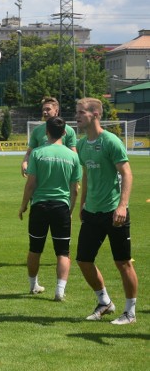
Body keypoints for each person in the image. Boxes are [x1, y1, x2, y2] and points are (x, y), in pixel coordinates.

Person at [74, 97, 137, 325]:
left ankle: (130, 312)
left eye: (82, 112)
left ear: (95, 115)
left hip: (114, 212)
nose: (77, 116)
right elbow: (87, 176)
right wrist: (82, 204)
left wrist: (122, 206)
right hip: (92, 211)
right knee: (83, 260)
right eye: (77, 112)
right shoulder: (82, 145)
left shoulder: (110, 141)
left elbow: (127, 174)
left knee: (123, 263)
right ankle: (105, 302)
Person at [19, 116, 80, 301]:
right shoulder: (73, 156)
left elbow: (30, 184)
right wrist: (69, 210)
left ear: (46, 131)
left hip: (39, 207)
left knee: (35, 249)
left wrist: (23, 206)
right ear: (64, 133)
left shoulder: (37, 153)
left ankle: (33, 285)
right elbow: (75, 189)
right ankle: (60, 291)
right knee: (62, 251)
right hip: (61, 207)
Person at [21, 96, 77, 176]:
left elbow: (73, 154)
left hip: (61, 174)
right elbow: (29, 152)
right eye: (43, 110)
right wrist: (24, 163)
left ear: (56, 111)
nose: (44, 112)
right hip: (41, 173)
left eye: (48, 109)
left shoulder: (69, 131)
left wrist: (75, 177)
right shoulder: (37, 130)